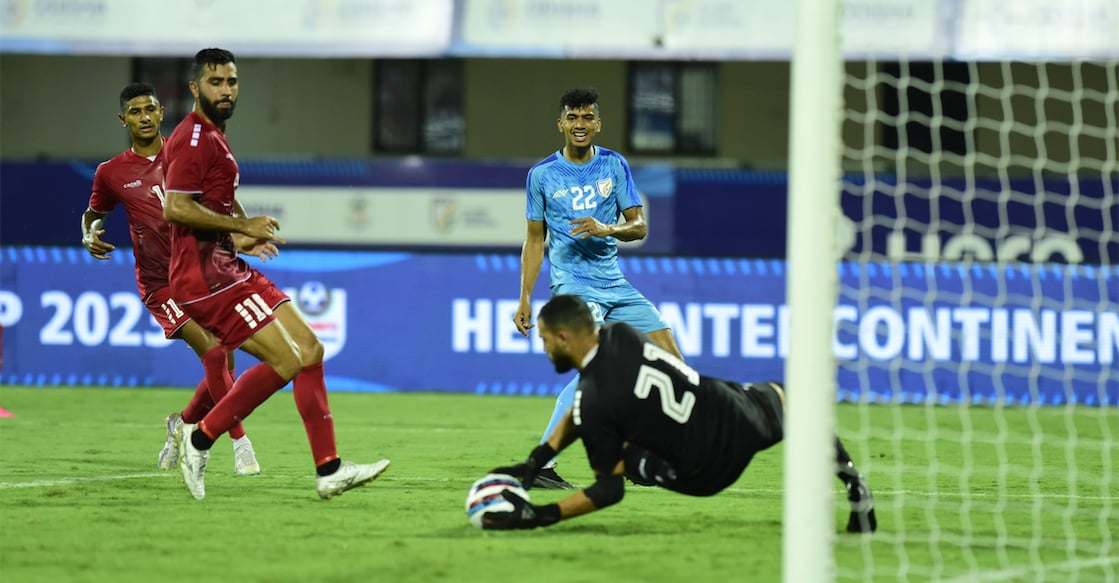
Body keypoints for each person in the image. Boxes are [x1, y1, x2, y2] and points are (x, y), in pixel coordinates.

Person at [161, 47, 389, 500]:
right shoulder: (192, 139)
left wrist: (241, 236)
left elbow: (211, 204)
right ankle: (199, 436)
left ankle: (329, 469)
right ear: (194, 89)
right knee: (284, 361)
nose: (226, 90)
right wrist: (241, 225)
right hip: (206, 280)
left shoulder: (214, 137)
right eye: (215, 82)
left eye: (232, 82)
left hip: (227, 266)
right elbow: (176, 206)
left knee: (309, 348)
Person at [483, 294, 878, 533]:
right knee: (795, 400)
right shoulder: (621, 333)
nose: (546, 349)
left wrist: (540, 515)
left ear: (565, 338)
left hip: (701, 472)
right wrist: (538, 459)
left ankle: (647, 466)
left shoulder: (595, 402)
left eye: (547, 341)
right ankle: (854, 482)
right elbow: (583, 407)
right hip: (731, 413)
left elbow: (607, 490)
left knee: (622, 449)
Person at [80, 81, 267, 476]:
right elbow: (94, 212)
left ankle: (181, 424)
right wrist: (89, 232)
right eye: (135, 111)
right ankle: (240, 445)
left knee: (222, 366)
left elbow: (226, 200)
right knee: (215, 353)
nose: (144, 117)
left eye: (150, 109)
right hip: (160, 285)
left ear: (162, 113)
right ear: (123, 119)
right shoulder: (111, 173)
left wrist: (242, 233)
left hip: (203, 274)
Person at [513, 87, 684, 489]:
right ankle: (541, 464)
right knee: (594, 368)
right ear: (561, 124)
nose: (580, 125)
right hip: (574, 286)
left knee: (673, 360)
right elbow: (535, 240)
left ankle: (654, 451)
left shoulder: (614, 165)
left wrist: (608, 228)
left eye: (587, 117)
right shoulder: (541, 176)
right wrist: (524, 297)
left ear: (598, 123)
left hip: (615, 283)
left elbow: (638, 225)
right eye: (572, 117)